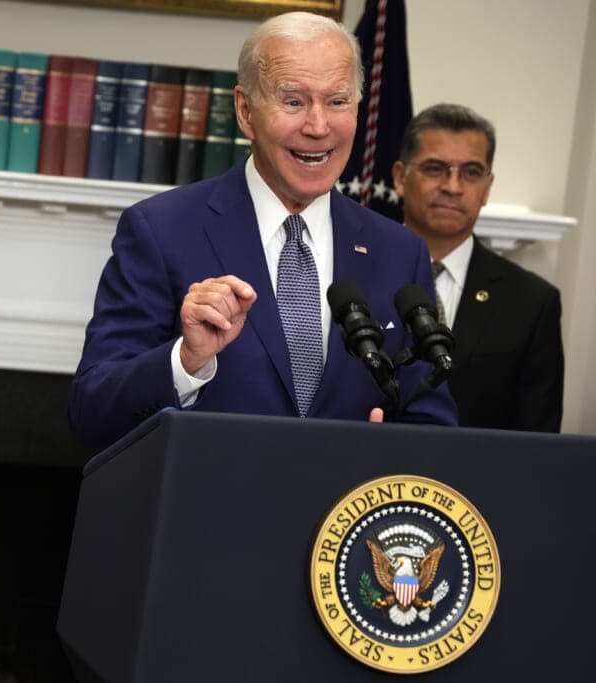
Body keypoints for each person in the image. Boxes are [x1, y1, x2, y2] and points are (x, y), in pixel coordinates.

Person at [68, 12, 457, 448]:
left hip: (348, 511)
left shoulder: (399, 252)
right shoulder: (160, 231)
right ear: (245, 110)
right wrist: (187, 360)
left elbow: (433, 426)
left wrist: (388, 451)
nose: (318, 126)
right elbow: (92, 411)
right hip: (212, 510)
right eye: (293, 101)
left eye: (337, 101)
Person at [392, 103, 564, 431]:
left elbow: (537, 442)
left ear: (487, 187)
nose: (453, 187)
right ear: (401, 178)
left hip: (477, 480)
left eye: (471, 173)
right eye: (435, 168)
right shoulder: (354, 273)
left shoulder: (531, 302)